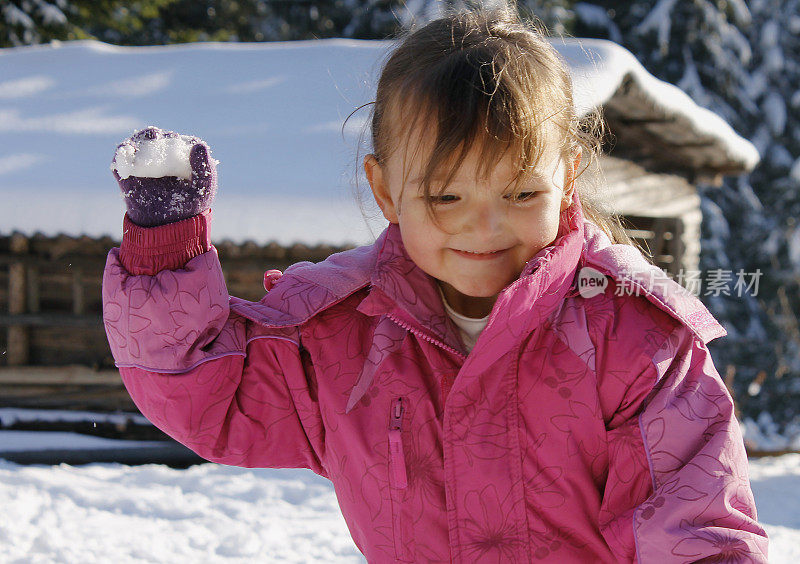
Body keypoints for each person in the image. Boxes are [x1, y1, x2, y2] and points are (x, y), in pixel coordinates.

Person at [102, 5, 768, 563]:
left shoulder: (635, 339)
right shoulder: (345, 333)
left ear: (569, 175)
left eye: (520, 191)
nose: (485, 226)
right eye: (447, 196)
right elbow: (210, 393)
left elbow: (698, 529)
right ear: (387, 191)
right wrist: (164, 250)